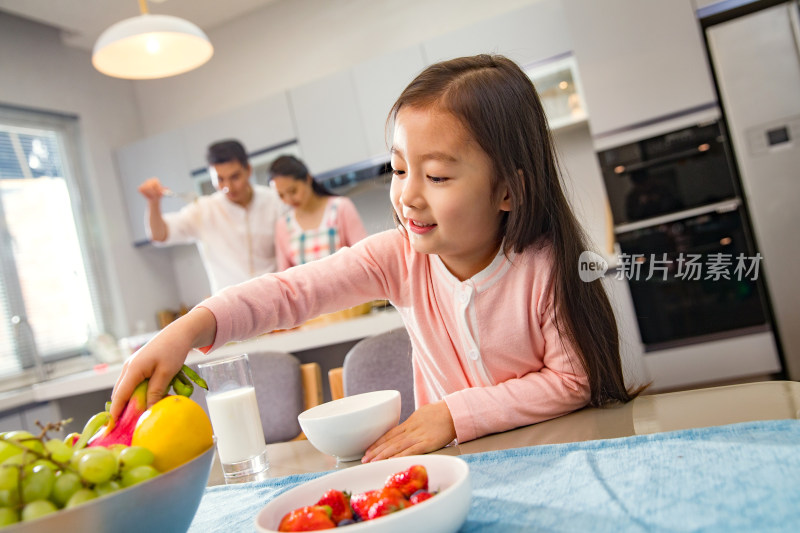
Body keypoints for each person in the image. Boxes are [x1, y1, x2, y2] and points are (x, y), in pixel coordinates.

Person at [113, 54, 640, 461]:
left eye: (435, 176)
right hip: (463, 473)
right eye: (398, 168)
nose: (408, 195)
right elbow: (290, 293)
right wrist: (188, 328)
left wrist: (453, 415)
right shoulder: (397, 259)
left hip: (564, 459)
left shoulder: (545, 266)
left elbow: (575, 381)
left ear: (508, 190)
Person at [138, 140, 282, 294]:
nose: (228, 187)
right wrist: (153, 203)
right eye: (219, 179)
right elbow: (159, 235)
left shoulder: (275, 200)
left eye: (234, 177)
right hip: (230, 306)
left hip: (273, 297)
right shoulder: (203, 210)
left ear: (248, 170)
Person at [268, 155, 367, 270]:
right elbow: (285, 275)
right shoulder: (283, 225)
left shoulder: (341, 207)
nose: (289, 199)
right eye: (281, 195)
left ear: (308, 179)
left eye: (293, 191)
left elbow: (362, 256)